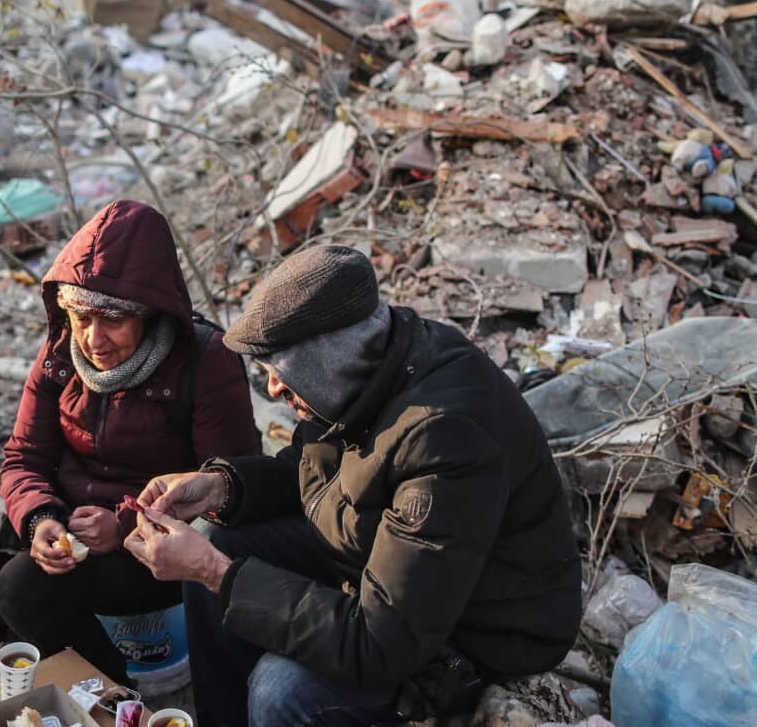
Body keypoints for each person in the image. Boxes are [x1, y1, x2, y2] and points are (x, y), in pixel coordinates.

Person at [124, 245, 582, 727]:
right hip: (393, 570)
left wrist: (215, 572)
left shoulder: (444, 435)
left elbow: (382, 644)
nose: (275, 390)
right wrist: (221, 487)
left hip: (480, 633)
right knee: (224, 540)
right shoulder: (365, 370)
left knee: (281, 691)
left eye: (284, 370)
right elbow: (315, 470)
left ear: (329, 356)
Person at [0, 200, 258, 684]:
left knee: (21, 588)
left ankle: (115, 690)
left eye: (112, 319)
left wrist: (126, 522)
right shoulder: (60, 353)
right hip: (72, 523)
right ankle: (43, 646)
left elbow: (228, 483)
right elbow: (24, 456)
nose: (94, 339)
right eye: (81, 317)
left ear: (150, 314)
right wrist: (40, 519)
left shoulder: (203, 361)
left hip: (154, 544)